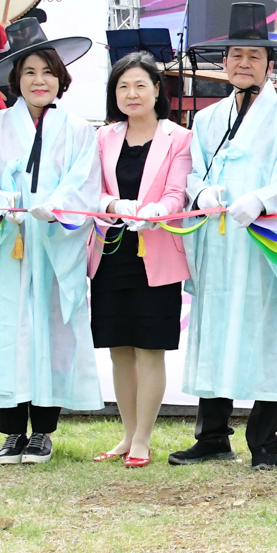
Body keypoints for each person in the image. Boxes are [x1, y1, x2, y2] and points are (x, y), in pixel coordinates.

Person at [172, 3, 277, 470]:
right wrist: (204, 190)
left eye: (253, 57)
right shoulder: (208, 118)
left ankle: (264, 442)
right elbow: (189, 173)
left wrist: (259, 199)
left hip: (262, 246)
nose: (243, 64)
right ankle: (212, 435)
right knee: (214, 334)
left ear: (269, 64)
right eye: (235, 55)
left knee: (265, 337)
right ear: (224, 61)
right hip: (218, 244)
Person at [0, 18, 102, 465]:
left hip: (53, 245)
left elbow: (85, 182)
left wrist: (56, 206)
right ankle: (10, 431)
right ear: (15, 80)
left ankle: (42, 431)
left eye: (47, 72)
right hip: (7, 243)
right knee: (8, 331)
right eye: (29, 73)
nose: (39, 81)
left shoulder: (79, 130)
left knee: (50, 331)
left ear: (61, 78)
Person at [89, 52, 193, 468]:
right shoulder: (103, 138)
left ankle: (144, 440)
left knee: (150, 349)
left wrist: (153, 213)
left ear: (157, 91)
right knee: (119, 349)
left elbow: (176, 194)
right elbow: (90, 190)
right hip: (111, 254)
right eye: (122, 87)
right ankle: (127, 433)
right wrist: (113, 203)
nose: (131, 94)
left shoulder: (179, 138)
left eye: (140, 85)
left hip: (156, 255)